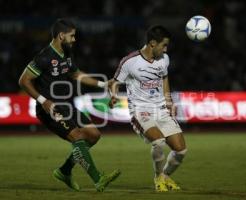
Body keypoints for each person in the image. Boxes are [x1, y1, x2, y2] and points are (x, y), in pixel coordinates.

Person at [18, 18, 120, 192]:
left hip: (67, 105)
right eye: (72, 36)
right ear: (61, 36)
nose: (74, 39)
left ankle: (64, 171)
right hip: (50, 109)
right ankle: (98, 179)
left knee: (94, 135)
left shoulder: (66, 53)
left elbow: (76, 74)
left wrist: (104, 84)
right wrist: (43, 101)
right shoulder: (44, 57)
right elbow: (23, 80)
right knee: (78, 137)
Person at [109, 25, 187, 192]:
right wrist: (114, 95)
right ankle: (158, 178)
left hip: (161, 108)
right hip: (140, 109)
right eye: (163, 45)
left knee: (181, 151)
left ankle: (165, 176)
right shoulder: (130, 61)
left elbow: (164, 77)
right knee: (158, 142)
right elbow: (114, 82)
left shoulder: (164, 59)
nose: (165, 49)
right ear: (152, 43)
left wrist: (168, 100)